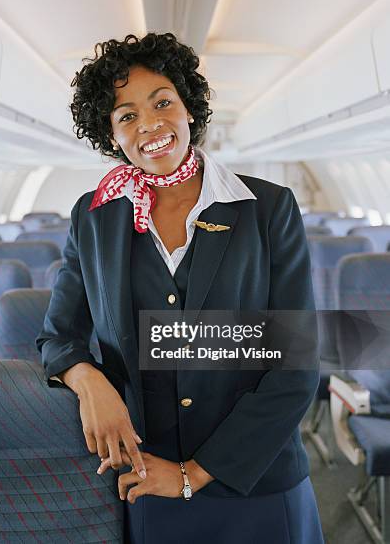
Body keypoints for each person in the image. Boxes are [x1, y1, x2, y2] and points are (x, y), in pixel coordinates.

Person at [36, 32, 324, 543]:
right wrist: (89, 381)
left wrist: (197, 473)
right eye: (126, 116)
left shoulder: (267, 208)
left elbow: (296, 365)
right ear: (112, 135)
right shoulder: (94, 217)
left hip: (256, 481)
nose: (149, 124)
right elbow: (59, 335)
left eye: (162, 102)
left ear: (188, 108)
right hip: (146, 476)